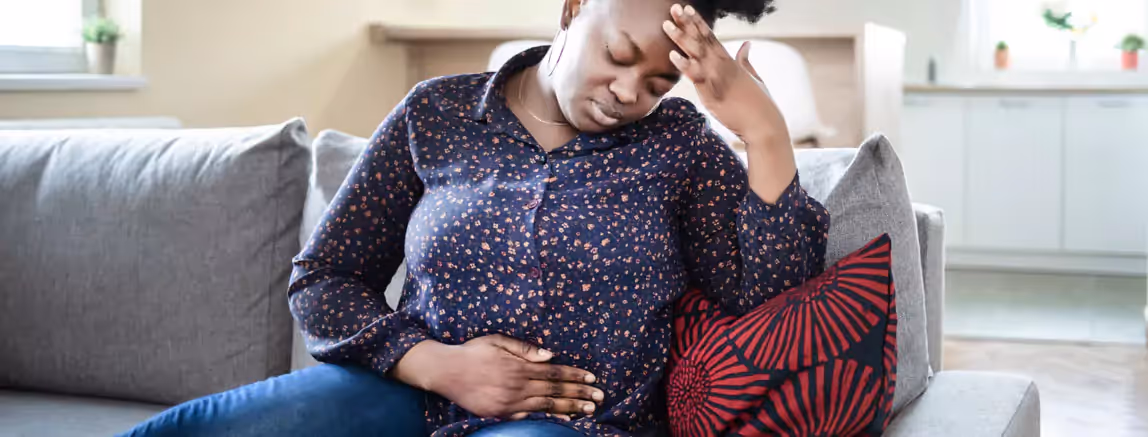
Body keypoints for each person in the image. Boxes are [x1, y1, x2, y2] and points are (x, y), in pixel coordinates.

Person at [122, 0, 829, 435]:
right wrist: (439, 366)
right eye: (618, 56)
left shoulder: (677, 144)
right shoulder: (438, 113)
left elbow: (769, 300)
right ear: (572, 7)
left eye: (656, 81)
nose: (626, 92)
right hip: (402, 397)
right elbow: (324, 278)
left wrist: (765, 133)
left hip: (575, 426)